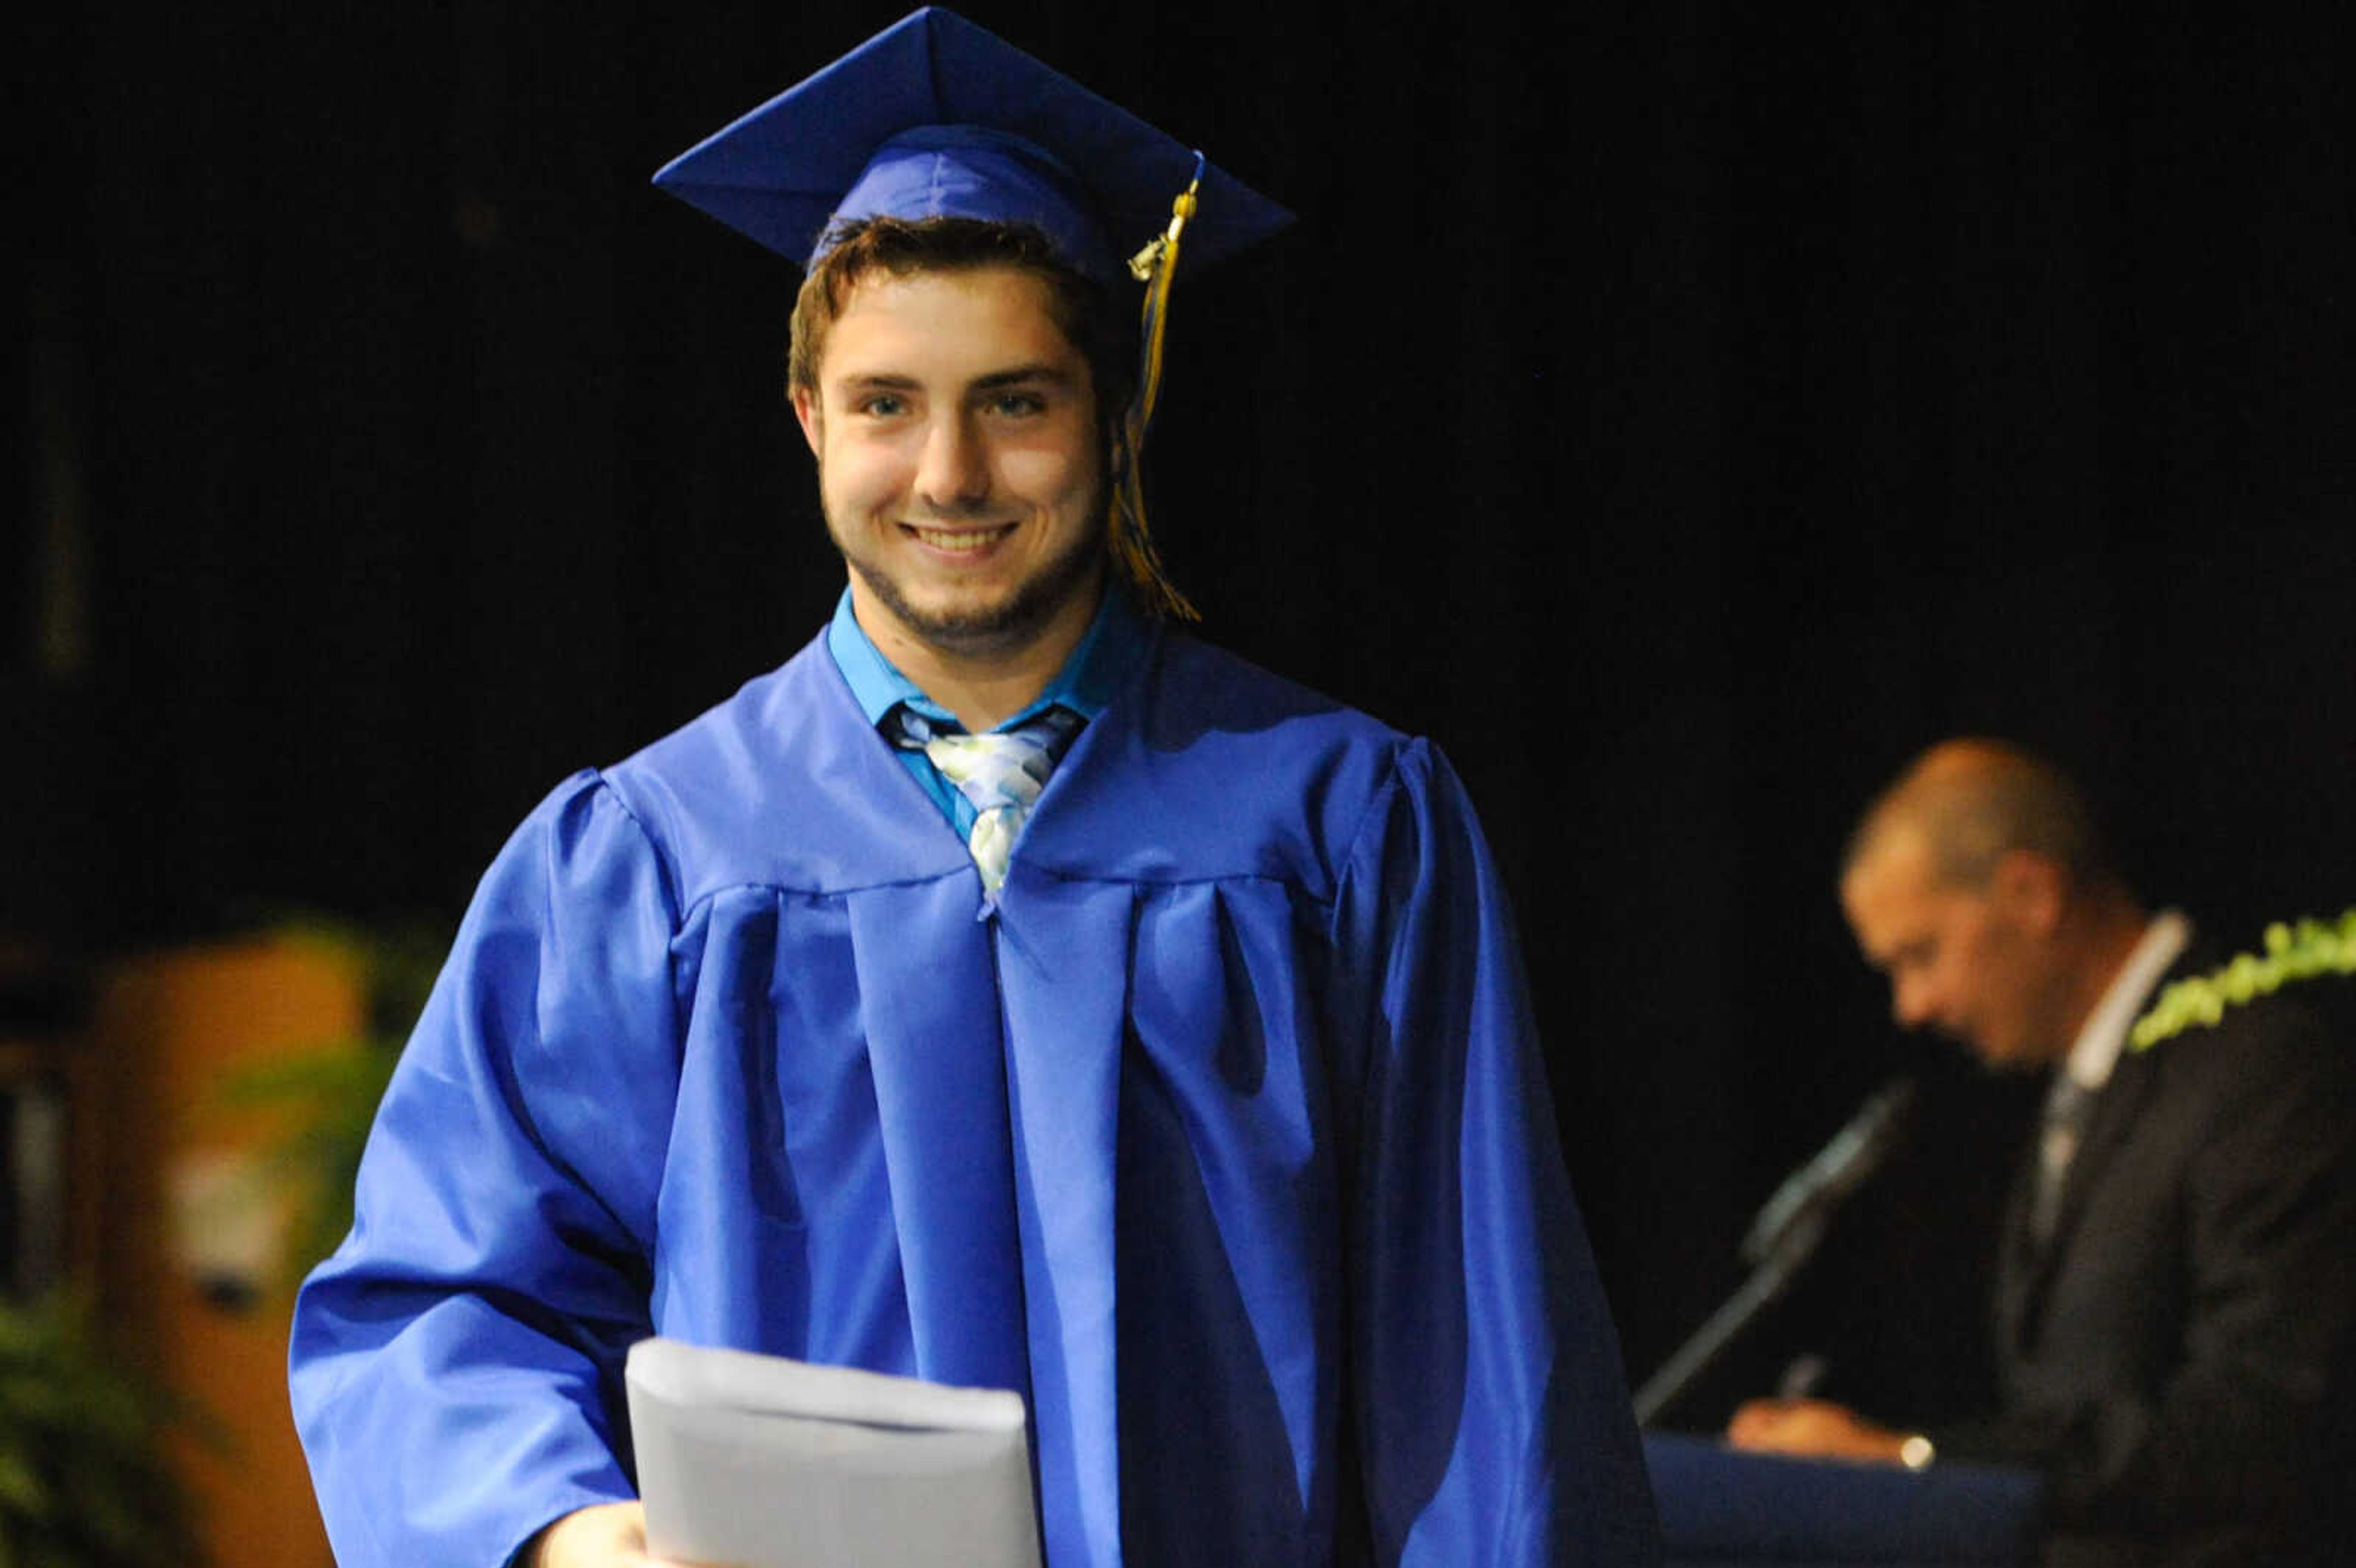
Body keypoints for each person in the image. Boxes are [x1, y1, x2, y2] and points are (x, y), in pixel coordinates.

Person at [286, 10, 1661, 1567]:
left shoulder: (1341, 828)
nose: (948, 474)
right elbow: (443, 1294)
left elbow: (1478, 1360)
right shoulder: (650, 861)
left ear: (1115, 416)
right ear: (810, 419)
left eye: (1015, 400)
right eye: (886, 404)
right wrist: (558, 1529)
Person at [1727, 738, 2356, 1566]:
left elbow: (2262, 1424)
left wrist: (1914, 1464)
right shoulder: (2078, 1096)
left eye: (1920, 956)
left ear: (2031, 892)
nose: (1911, 1007)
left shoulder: (2256, 1068)